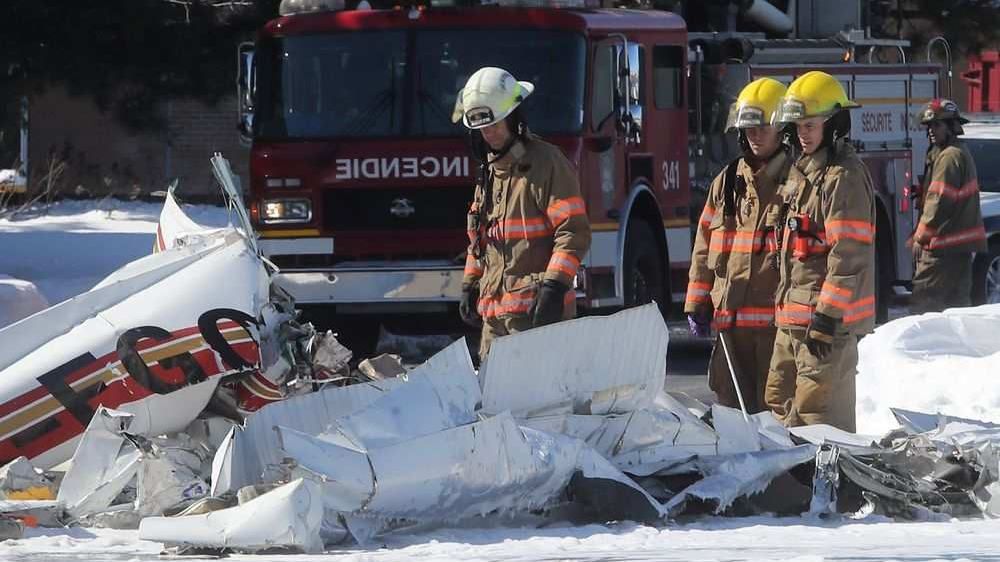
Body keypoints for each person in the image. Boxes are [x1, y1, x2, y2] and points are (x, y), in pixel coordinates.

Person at [453, 67, 591, 361]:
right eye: (481, 128)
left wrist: (554, 287)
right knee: (493, 390)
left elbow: (573, 232)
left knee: (544, 390)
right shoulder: (490, 173)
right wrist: (470, 284)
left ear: (514, 117)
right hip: (494, 322)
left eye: (495, 124)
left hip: (538, 317)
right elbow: (481, 240)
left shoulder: (546, 163)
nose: (488, 133)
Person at [764, 70, 876, 432]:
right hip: (793, 322)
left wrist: (826, 318)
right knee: (778, 408)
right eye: (798, 126)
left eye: (810, 125)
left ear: (834, 124)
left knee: (819, 420)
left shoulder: (843, 178)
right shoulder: (803, 174)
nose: (803, 134)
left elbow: (848, 257)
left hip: (825, 330)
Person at [685, 77, 792, 413]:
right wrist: (696, 301)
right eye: (748, 128)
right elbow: (704, 245)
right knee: (731, 415)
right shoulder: (728, 182)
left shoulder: (797, 182)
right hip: (731, 332)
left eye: (763, 127)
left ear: (782, 128)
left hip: (776, 334)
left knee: (777, 417)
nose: (755, 135)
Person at [910, 99, 987, 313]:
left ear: (952, 126)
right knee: (956, 310)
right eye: (929, 126)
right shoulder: (958, 152)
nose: (931, 131)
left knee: (923, 307)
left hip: (942, 249)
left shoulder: (949, 157)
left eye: (937, 125)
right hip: (959, 250)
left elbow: (939, 201)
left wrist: (920, 237)